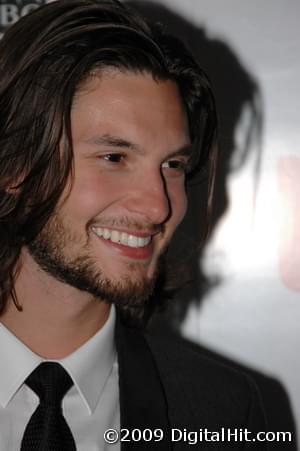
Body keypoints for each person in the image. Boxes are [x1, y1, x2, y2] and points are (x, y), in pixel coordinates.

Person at [0, 1, 269, 449]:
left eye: (173, 164)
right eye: (114, 157)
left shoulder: (224, 412)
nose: (157, 207)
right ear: (14, 166)